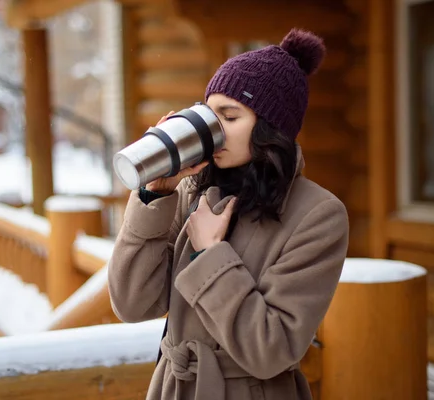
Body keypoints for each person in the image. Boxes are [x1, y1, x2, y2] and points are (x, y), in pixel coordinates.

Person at [108, 27, 349, 400]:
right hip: (174, 387)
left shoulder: (318, 215)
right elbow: (131, 304)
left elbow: (271, 351)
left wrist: (210, 255)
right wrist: (155, 195)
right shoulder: (193, 190)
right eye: (210, 114)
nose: (214, 131)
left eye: (230, 117)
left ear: (271, 130)